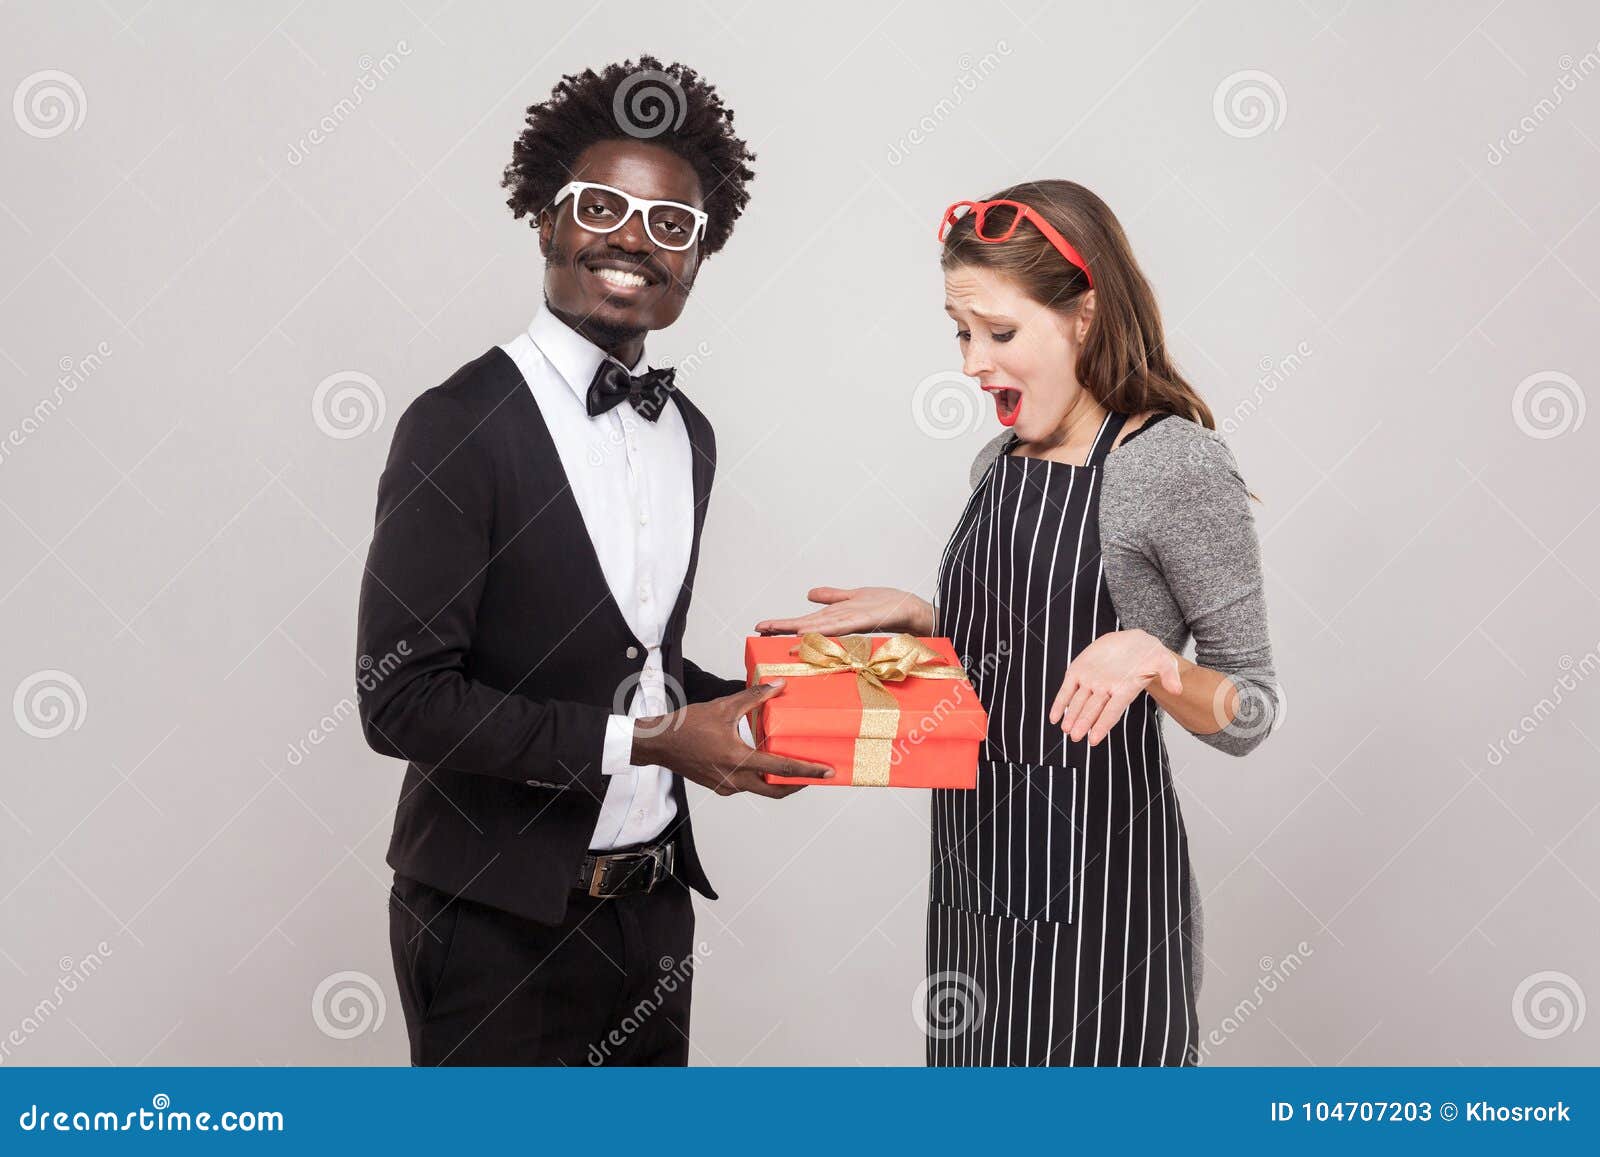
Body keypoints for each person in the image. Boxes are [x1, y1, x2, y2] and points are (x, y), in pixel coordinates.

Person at [356, 57, 831, 1067]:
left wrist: (775, 707)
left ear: (700, 257)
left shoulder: (686, 434)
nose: (632, 238)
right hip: (490, 923)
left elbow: (632, 657)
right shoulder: (458, 426)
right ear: (546, 218)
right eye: (603, 206)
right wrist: (660, 740)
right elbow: (401, 700)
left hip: (652, 915)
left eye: (672, 225)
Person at [756, 181, 1283, 1066]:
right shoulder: (996, 464)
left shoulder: (1172, 465)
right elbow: (1016, 657)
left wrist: (1156, 661)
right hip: (971, 880)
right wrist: (930, 619)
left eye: (1000, 333)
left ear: (1085, 314)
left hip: (1103, 907)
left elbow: (1254, 710)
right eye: (962, 333)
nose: (971, 363)